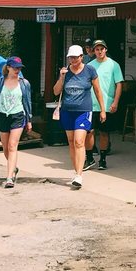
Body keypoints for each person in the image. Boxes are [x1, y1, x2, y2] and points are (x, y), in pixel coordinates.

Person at [53, 44, 107, 189]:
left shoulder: (90, 70)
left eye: (76, 57)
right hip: (67, 111)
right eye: (71, 57)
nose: (73, 60)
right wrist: (61, 77)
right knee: (71, 142)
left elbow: (98, 91)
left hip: (84, 111)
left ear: (81, 57)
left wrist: (102, 110)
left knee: (79, 141)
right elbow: (56, 91)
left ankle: (79, 175)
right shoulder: (65, 71)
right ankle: (76, 170)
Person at [0, 56, 33, 189]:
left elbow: (28, 103)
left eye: (19, 68)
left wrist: (29, 120)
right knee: (5, 148)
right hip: (3, 116)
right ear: (8, 67)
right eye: (15, 67)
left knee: (12, 146)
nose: (17, 70)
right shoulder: (1, 82)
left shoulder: (24, 83)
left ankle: (9, 178)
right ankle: (14, 168)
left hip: (18, 116)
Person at [87, 40, 124, 171]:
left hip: (107, 104)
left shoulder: (114, 65)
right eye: (97, 49)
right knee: (89, 132)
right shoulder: (89, 66)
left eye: (101, 49)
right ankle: (89, 158)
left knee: (104, 133)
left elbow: (119, 84)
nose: (99, 51)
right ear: (94, 51)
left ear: (106, 50)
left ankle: (102, 159)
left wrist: (115, 102)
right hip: (91, 104)